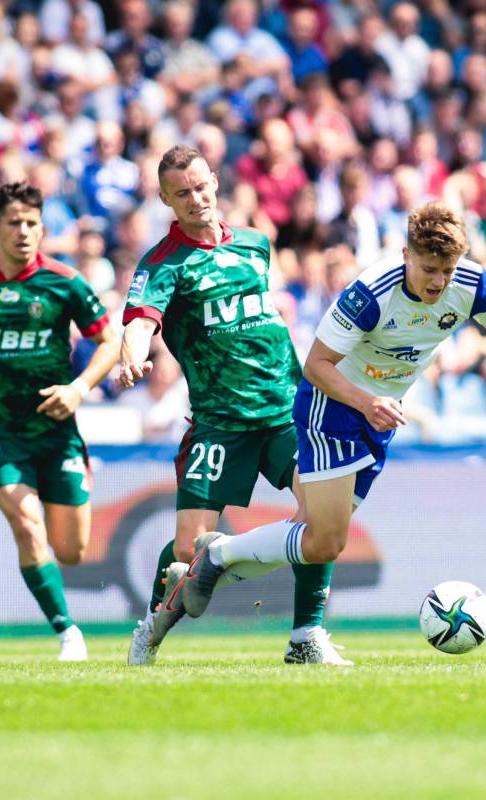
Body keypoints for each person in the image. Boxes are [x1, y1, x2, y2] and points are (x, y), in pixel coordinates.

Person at [177, 203, 486, 650]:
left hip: (380, 412)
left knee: (315, 537)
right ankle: (264, 599)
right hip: (332, 405)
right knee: (325, 540)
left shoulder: (471, 283)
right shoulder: (370, 294)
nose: (437, 281)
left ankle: (217, 556)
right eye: (428, 268)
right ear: (406, 254)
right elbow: (315, 366)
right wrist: (368, 402)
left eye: (446, 270)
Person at [118, 144, 342, 666]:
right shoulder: (162, 264)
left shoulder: (255, 245)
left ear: (215, 181)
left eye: (201, 187)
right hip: (219, 425)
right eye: (182, 194)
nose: (196, 200)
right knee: (188, 553)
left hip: (287, 411)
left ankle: (306, 636)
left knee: (322, 521)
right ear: (165, 199)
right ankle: (152, 628)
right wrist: (132, 356)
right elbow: (139, 322)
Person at [0, 182, 120, 661]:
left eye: (31, 223)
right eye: (13, 223)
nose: (23, 231)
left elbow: (110, 342)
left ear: (43, 228)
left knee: (72, 549)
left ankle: (63, 603)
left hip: (56, 432)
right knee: (27, 526)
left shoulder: (65, 282)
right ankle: (68, 633)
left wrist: (79, 389)